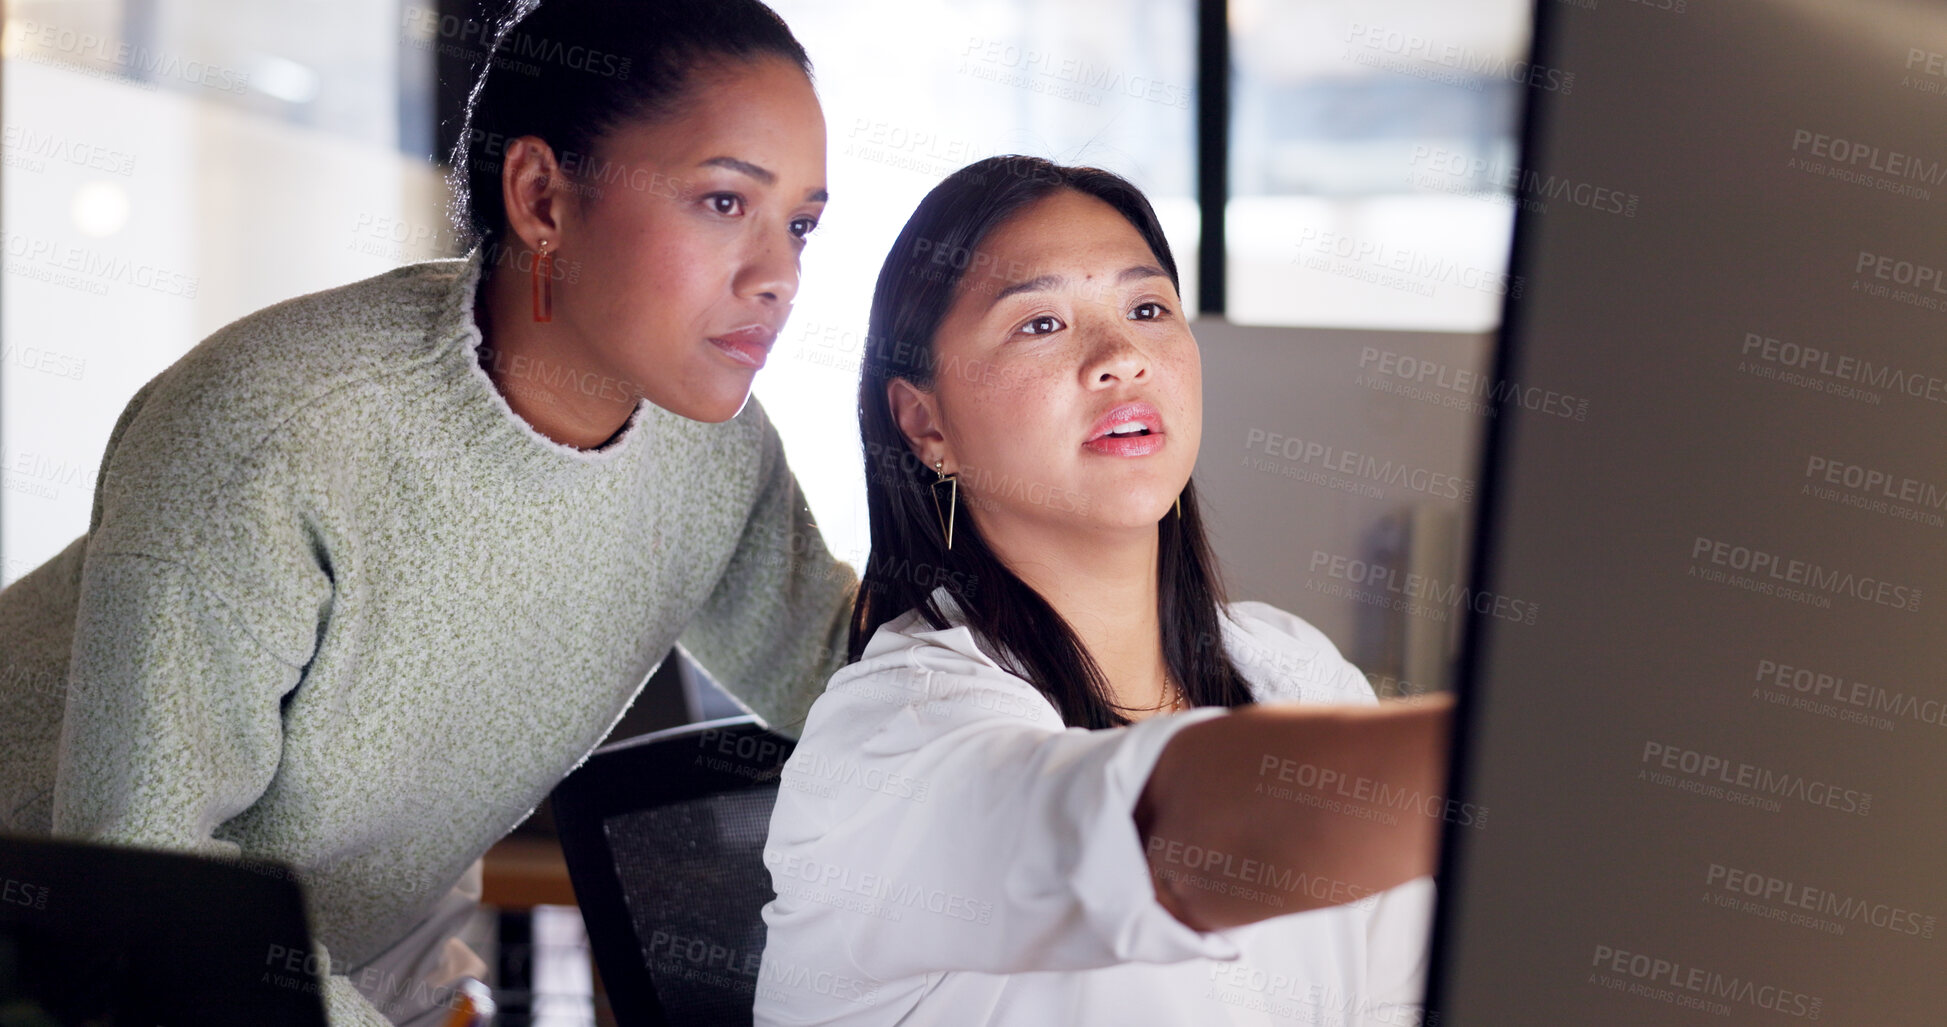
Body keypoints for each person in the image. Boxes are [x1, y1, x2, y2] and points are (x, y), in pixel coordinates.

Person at [0, 1, 854, 1023]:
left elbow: (862, 688)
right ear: (542, 196)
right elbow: (144, 896)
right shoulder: (276, 427)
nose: (779, 277)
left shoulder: (714, 454)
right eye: (724, 203)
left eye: (800, 224)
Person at [755, 156, 1456, 1026]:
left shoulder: (1289, 667)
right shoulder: (896, 730)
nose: (1120, 356)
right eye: (1040, 323)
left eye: (1148, 308)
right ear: (925, 424)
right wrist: (1518, 747)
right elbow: (1168, 847)